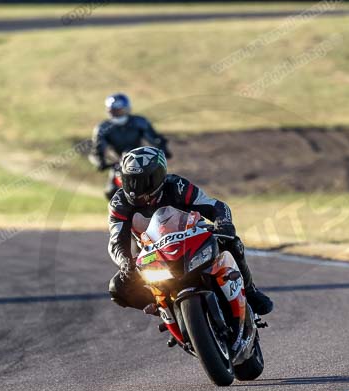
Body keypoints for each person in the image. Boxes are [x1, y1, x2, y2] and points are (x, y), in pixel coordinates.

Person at [107, 146, 274, 316]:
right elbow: (116, 241)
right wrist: (124, 261)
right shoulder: (119, 204)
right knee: (118, 288)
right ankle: (169, 313)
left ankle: (250, 291)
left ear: (158, 176)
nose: (135, 188)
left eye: (143, 181)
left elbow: (214, 206)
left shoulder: (177, 186)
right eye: (130, 181)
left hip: (192, 238)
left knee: (232, 242)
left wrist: (223, 224)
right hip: (154, 254)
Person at [89, 93, 171, 200]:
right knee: (111, 192)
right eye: (114, 111)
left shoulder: (140, 122)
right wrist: (100, 162)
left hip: (142, 160)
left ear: (127, 109)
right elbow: (97, 150)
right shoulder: (102, 128)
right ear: (108, 111)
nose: (117, 114)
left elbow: (154, 138)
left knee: (158, 185)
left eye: (120, 110)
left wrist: (163, 149)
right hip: (118, 164)